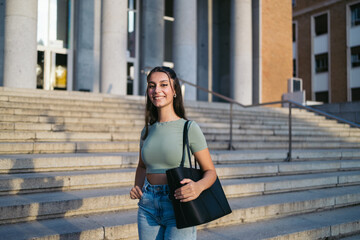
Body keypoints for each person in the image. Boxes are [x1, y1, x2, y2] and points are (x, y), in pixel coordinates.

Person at [129, 66, 217, 240]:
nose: (157, 90)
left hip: (179, 203)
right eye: (152, 85)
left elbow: (210, 172)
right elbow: (141, 166)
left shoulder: (189, 128)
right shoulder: (146, 131)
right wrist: (138, 186)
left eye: (163, 85)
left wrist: (198, 187)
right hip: (147, 205)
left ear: (174, 90)